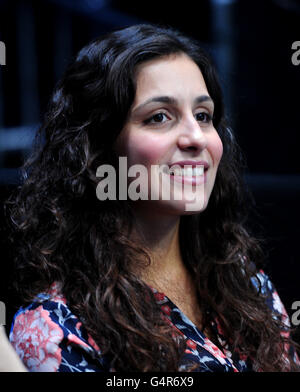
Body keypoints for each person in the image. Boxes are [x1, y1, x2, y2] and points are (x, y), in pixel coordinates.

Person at [6, 23, 300, 372]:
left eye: (203, 116)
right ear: (98, 150)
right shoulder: (56, 330)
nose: (196, 137)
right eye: (159, 117)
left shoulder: (246, 282)